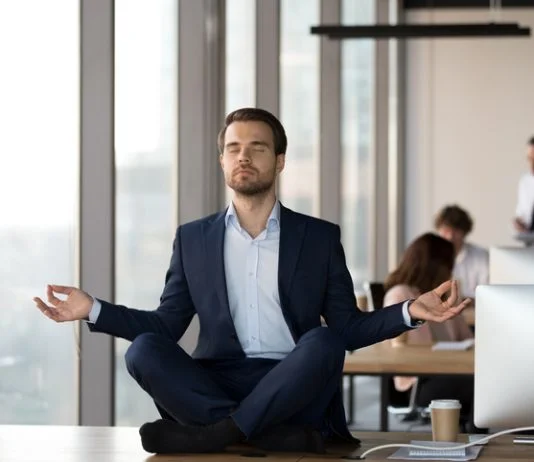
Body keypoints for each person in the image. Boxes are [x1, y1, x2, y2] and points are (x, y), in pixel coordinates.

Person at [33, 108, 470, 454]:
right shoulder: (193, 239)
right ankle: (259, 432)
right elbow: (167, 326)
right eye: (234, 147)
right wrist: (94, 309)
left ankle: (215, 434)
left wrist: (411, 311)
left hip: (293, 381)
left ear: (279, 161)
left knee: (322, 342)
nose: (244, 156)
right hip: (217, 381)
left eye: (257, 148)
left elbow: (347, 329)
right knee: (145, 349)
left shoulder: (319, 237)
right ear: (222, 158)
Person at [384, 233, 478, 431]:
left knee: (487, 381)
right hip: (419, 383)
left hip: (450, 372)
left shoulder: (442, 297)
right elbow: (401, 350)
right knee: (479, 387)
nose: (452, 271)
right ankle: (476, 438)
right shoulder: (400, 294)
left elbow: (467, 340)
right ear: (436, 265)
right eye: (449, 264)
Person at [434, 205, 489, 301]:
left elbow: (487, 295)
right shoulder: (430, 257)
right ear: (438, 231)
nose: (450, 236)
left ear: (465, 232)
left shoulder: (481, 256)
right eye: (446, 230)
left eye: (456, 231)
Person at [514, 136, 534, 233]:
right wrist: (518, 222)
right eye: (529, 159)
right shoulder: (525, 181)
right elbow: (521, 212)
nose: (531, 165)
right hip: (529, 241)